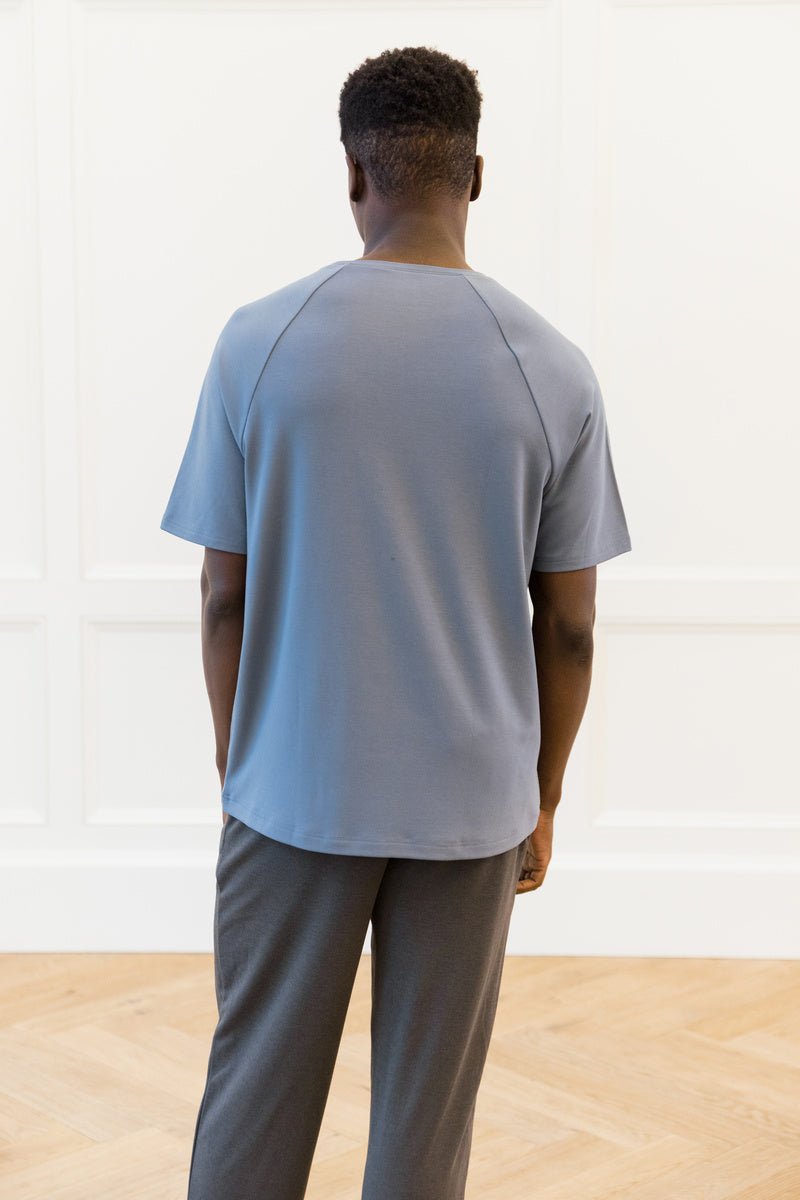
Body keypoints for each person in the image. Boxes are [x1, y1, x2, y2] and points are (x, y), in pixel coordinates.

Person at [160, 43, 632, 1200]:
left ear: (352, 175)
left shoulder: (256, 342)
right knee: (426, 1131)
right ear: (475, 177)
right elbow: (566, 627)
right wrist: (543, 793)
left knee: (254, 1099)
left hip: (293, 793)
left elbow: (222, 591)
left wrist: (240, 752)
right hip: (469, 807)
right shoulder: (552, 370)